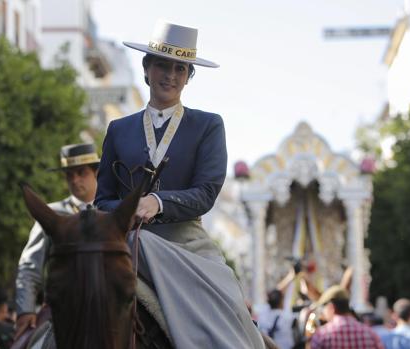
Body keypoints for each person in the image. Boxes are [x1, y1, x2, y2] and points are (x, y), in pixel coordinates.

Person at [95, 20, 265, 348]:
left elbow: (206, 192)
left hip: (187, 244)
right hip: (126, 244)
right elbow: (102, 201)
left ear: (188, 77)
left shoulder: (208, 125)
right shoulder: (118, 129)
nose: (170, 75)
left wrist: (157, 203)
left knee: (233, 310)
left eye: (180, 68)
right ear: (147, 69)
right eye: (162, 65)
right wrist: (129, 209)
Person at [14, 143, 99, 339]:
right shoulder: (50, 214)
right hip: (59, 307)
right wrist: (25, 310)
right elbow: (28, 267)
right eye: (69, 174)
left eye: (81, 172)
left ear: (96, 172)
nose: (75, 180)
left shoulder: (113, 213)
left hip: (110, 304)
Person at [309, 285, 384, 349]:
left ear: (331, 307)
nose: (322, 313)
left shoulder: (321, 335)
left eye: (323, 308)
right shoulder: (370, 334)